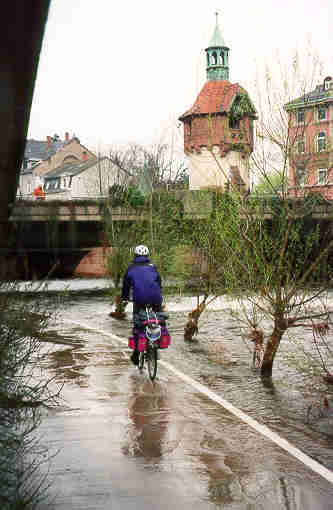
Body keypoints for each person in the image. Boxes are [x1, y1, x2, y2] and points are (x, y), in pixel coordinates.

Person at [121, 244, 162, 365]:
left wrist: (125, 298)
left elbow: (126, 286)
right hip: (156, 298)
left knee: (138, 324)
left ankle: (136, 353)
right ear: (147, 256)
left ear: (135, 255)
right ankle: (156, 344)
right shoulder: (153, 267)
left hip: (139, 300)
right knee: (158, 319)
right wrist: (159, 296)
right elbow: (159, 282)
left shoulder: (131, 268)